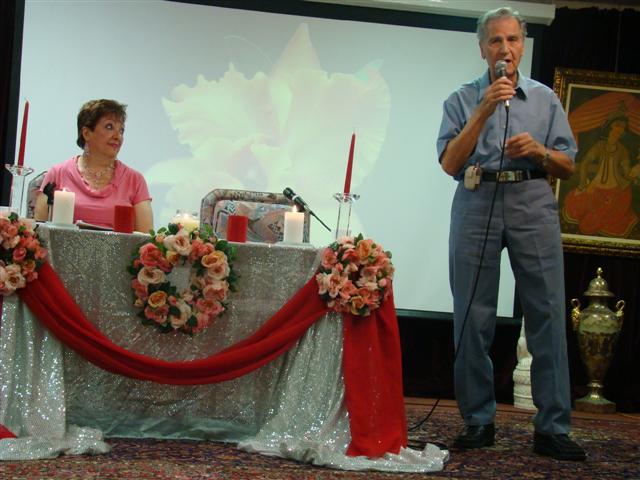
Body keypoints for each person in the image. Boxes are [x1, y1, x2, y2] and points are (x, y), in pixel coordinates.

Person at [436, 7, 585, 461]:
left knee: (547, 314)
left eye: (513, 39)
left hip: (531, 200)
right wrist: (484, 109)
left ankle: (552, 427)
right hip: (476, 199)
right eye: (496, 41)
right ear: (482, 49)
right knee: (473, 315)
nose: (505, 49)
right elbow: (450, 163)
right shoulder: (461, 99)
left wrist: (538, 150)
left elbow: (568, 165)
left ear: (523, 44)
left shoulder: (544, 99)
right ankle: (478, 421)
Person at [34, 99, 153, 232]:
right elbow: (39, 232)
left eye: (121, 130)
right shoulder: (57, 173)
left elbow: (145, 237)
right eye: (109, 127)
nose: (118, 136)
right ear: (86, 133)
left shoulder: (135, 180)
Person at [563, 109, 639, 236]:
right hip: (595, 187)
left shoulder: (623, 150)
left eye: (623, 127)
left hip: (617, 189)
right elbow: (585, 163)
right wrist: (583, 183)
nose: (620, 129)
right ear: (610, 127)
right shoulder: (600, 145)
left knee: (608, 216)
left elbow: (627, 173)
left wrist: (635, 173)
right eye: (617, 125)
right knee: (578, 208)